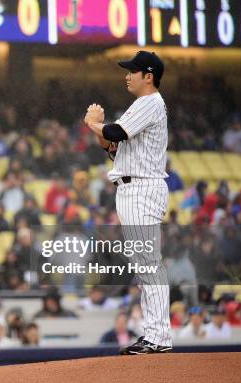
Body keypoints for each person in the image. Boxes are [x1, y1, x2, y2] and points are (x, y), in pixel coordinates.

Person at [84, 50, 172, 355]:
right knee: (143, 264)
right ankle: (154, 334)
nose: (127, 75)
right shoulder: (144, 104)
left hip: (142, 189)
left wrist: (94, 123)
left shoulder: (150, 102)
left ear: (148, 76)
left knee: (148, 263)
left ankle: (158, 337)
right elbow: (111, 144)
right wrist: (99, 131)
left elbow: (114, 131)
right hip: (133, 188)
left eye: (133, 71)